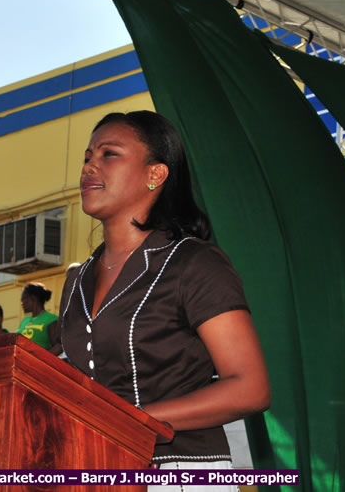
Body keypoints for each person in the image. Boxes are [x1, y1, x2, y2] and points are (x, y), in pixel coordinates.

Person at [59, 111, 270, 491]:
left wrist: (131, 421)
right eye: (87, 156)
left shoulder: (193, 262)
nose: (89, 165)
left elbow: (250, 388)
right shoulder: (76, 281)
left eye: (109, 154)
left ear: (155, 174)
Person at [17, 283, 61, 355]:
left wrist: (43, 359)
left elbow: (59, 346)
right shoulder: (24, 320)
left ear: (33, 299)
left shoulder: (51, 319)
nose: (22, 303)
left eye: (23, 299)